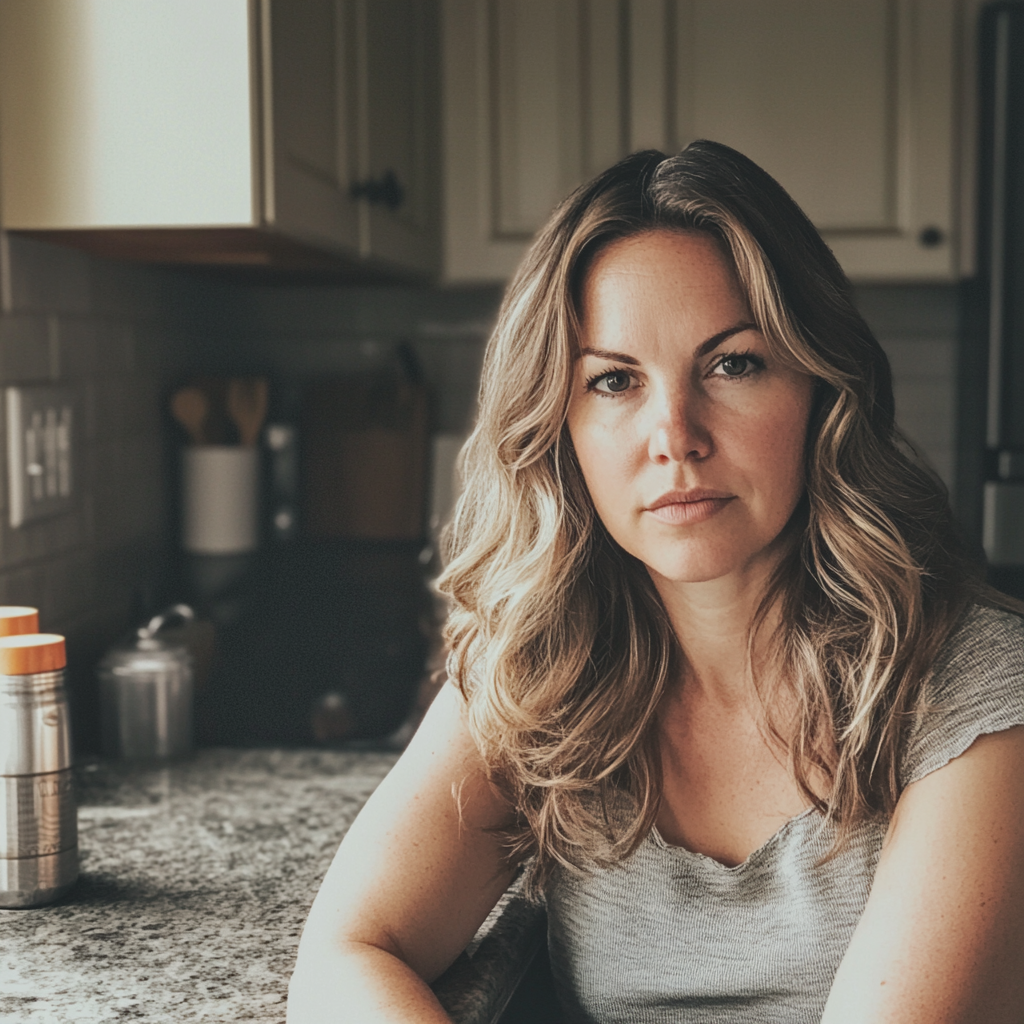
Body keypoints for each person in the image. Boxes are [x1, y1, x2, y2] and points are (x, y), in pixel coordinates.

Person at [287, 141, 1024, 1023]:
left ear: (823, 390)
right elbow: (349, 952)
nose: (674, 435)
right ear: (560, 427)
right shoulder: (541, 671)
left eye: (733, 364)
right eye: (614, 381)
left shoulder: (972, 685)